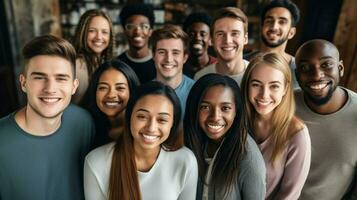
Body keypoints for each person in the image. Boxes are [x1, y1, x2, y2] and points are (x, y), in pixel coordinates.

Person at [0, 35, 94, 200]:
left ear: (74, 86)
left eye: (61, 78)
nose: (50, 89)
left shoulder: (83, 123)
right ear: (23, 83)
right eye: (39, 77)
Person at [84, 81, 198, 200]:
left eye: (162, 120)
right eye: (142, 117)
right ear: (130, 117)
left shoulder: (185, 160)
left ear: (173, 124)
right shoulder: (96, 162)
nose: (151, 128)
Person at [184, 73, 266, 199]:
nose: (215, 117)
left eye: (225, 108)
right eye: (205, 107)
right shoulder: (188, 142)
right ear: (194, 109)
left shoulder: (248, 157)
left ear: (236, 112)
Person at [240, 53, 310, 199]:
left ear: (285, 89)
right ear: (247, 85)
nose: (264, 95)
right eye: (256, 84)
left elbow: (289, 195)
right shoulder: (236, 120)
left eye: (274, 86)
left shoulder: (297, 135)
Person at [294, 39, 357, 200]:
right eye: (305, 67)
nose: (316, 75)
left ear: (340, 68)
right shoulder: (282, 103)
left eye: (326, 64)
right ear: (297, 75)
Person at [82, 59, 140, 148]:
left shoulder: (140, 132)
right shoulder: (87, 127)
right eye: (103, 88)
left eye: (120, 88)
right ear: (94, 91)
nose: (111, 95)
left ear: (132, 91)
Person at [244, 0, 300, 89]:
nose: (274, 27)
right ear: (261, 27)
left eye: (282, 22)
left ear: (291, 33)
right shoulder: (243, 61)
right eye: (269, 21)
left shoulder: (299, 70)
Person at [194, 7, 249, 86]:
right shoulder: (201, 77)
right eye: (220, 34)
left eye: (234, 33)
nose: (227, 41)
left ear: (245, 38)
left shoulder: (257, 74)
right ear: (212, 40)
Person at [72, 9, 115, 104]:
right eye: (92, 31)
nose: (99, 37)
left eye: (104, 32)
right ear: (82, 33)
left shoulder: (106, 62)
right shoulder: (77, 65)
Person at [151, 24, 195, 115]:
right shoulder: (143, 93)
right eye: (162, 52)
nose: (168, 59)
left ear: (185, 57)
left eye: (175, 53)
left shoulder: (197, 91)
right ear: (153, 55)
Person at [117, 3, 156, 84]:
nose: (137, 32)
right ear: (124, 31)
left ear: (150, 31)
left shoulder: (160, 63)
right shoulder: (118, 64)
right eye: (131, 26)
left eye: (144, 26)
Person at [182, 11, 217, 78]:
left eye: (203, 34)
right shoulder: (178, 66)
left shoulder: (219, 67)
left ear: (211, 40)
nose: (197, 38)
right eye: (192, 34)